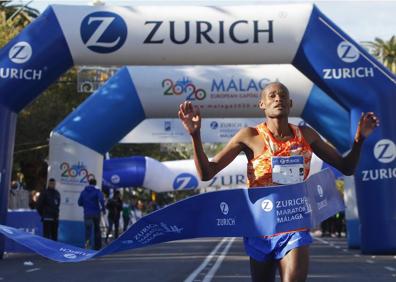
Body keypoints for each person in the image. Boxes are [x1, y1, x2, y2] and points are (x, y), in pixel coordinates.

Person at [178, 82, 379, 282]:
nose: (278, 98)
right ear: (262, 104)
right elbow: (207, 173)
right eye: (272, 95)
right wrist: (195, 135)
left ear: (290, 103)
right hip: (261, 227)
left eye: (282, 95)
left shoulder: (306, 135)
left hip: (294, 223)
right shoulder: (249, 136)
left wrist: (359, 140)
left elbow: (346, 167)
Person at [78, 178, 105, 250]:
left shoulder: (83, 192)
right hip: (96, 213)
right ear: (95, 184)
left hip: (87, 214)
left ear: (89, 183)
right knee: (97, 230)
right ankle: (97, 247)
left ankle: (87, 246)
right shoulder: (97, 191)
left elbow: (79, 203)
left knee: (88, 231)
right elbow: (101, 200)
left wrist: (85, 205)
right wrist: (103, 209)